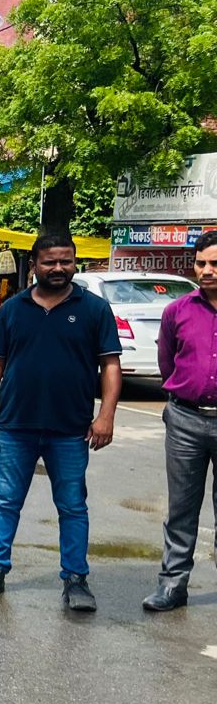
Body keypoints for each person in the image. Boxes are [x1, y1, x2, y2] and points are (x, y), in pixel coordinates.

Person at [0, 235, 120, 611]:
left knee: (72, 506)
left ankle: (76, 579)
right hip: (16, 426)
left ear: (74, 262)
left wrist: (106, 416)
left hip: (71, 429)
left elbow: (110, 365)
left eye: (66, 261)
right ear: (34, 264)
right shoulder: (13, 309)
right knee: (6, 502)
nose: (58, 268)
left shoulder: (94, 309)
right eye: (50, 262)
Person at [147, 230, 217, 612]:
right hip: (186, 421)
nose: (207, 271)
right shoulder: (177, 311)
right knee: (181, 509)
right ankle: (173, 586)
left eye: (215, 264)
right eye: (201, 263)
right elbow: (167, 362)